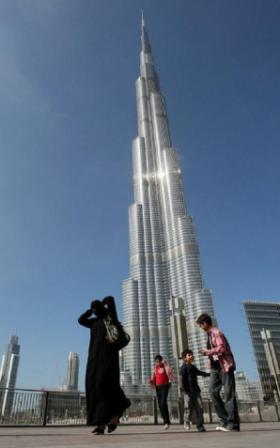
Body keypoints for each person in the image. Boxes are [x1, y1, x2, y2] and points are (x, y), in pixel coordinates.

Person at [78, 296, 130, 435]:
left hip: (108, 359)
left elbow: (111, 299)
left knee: (103, 386)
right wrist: (89, 311)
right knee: (94, 389)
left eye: (97, 308)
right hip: (93, 361)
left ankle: (116, 412)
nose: (95, 311)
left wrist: (102, 303)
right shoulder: (94, 322)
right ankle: (100, 424)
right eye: (93, 309)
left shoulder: (110, 318)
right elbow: (81, 320)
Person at [196, 313, 240, 432]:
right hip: (215, 368)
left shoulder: (216, 332)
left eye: (200, 325)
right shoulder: (209, 335)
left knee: (228, 393)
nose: (200, 327)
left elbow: (222, 348)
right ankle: (224, 419)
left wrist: (207, 352)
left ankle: (233, 423)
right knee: (212, 390)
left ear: (205, 323)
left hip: (225, 366)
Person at [180, 349, 210, 432]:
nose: (191, 356)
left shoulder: (193, 367)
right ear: (184, 358)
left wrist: (207, 374)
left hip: (196, 391)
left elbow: (199, 372)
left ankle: (200, 426)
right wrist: (183, 389)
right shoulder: (183, 368)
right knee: (188, 408)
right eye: (189, 355)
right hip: (187, 392)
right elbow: (181, 379)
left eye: (192, 355)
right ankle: (186, 421)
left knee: (199, 408)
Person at [149, 355, 175, 429]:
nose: (157, 362)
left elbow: (170, 371)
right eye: (156, 361)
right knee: (160, 405)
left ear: (161, 360)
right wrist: (151, 381)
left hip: (165, 386)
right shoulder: (155, 368)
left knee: (163, 402)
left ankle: (167, 422)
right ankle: (166, 421)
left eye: (158, 361)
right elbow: (153, 377)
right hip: (158, 387)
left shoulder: (165, 366)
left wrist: (165, 363)